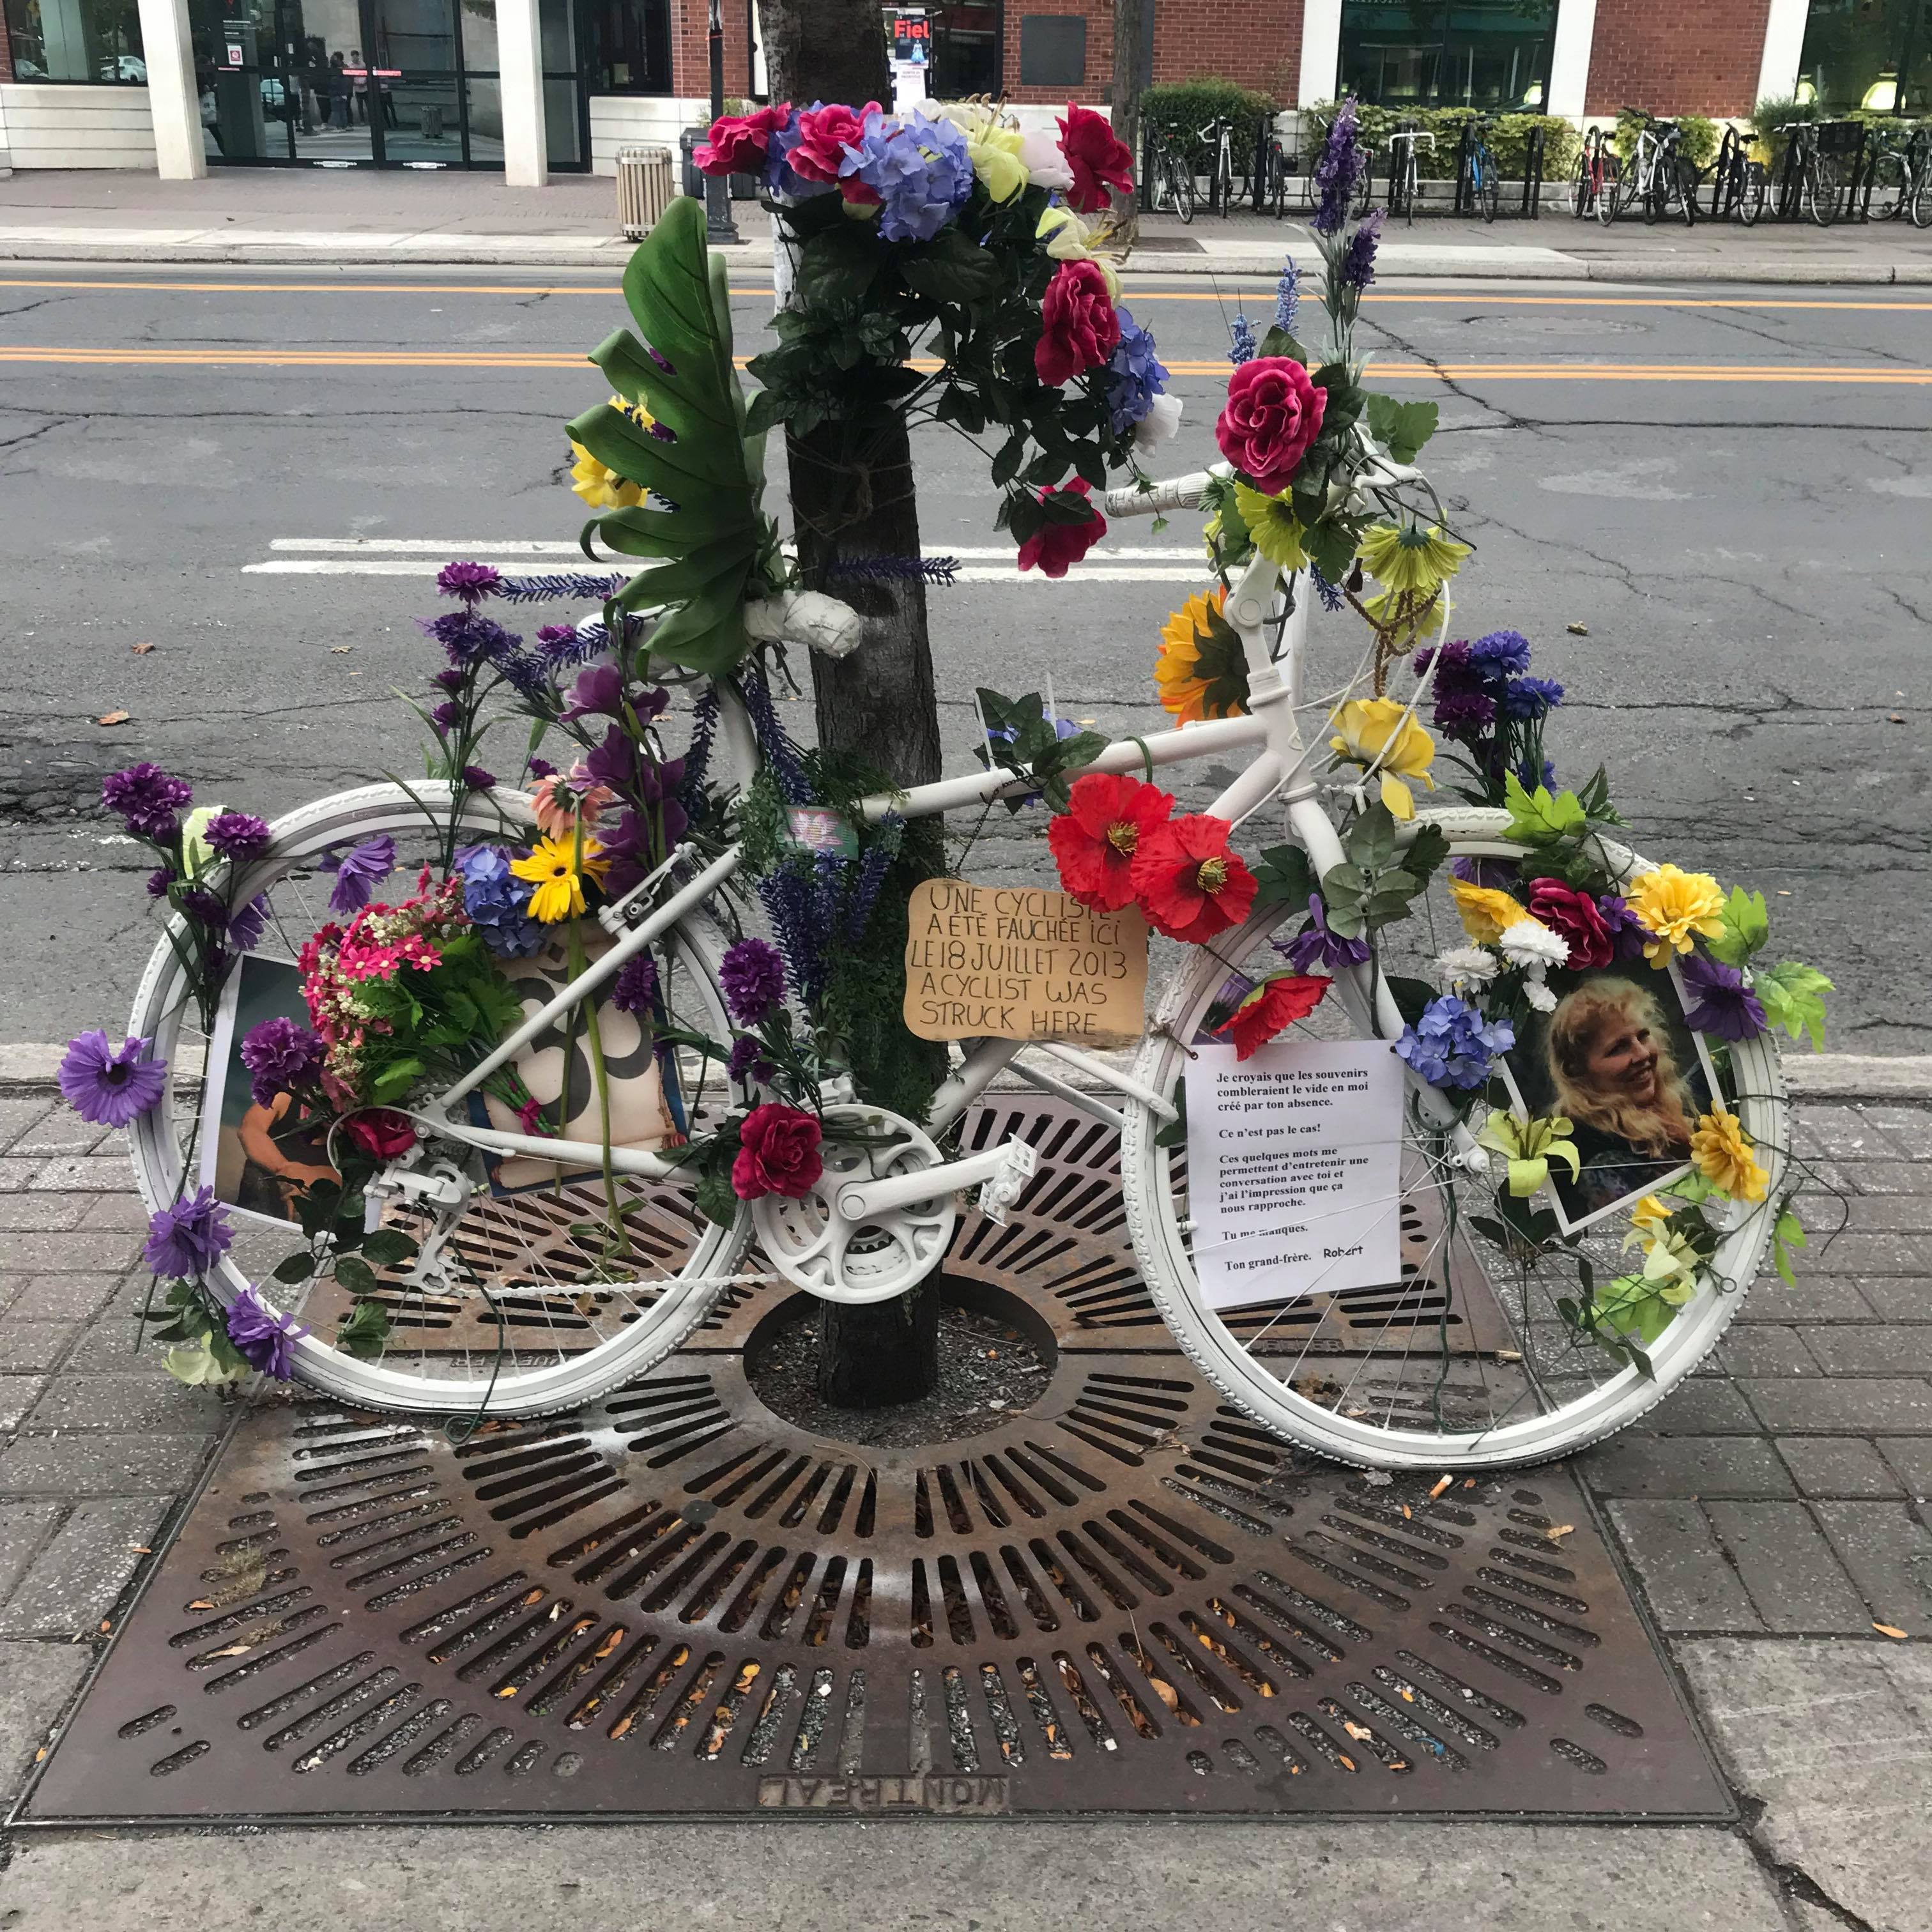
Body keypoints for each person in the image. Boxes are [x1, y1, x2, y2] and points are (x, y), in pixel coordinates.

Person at [1545, 977, 1699, 1220]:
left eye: (1643, 1036)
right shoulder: (1603, 1164)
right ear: (1577, 1071)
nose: (1642, 1054)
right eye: (1618, 1048)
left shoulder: (1666, 1117)